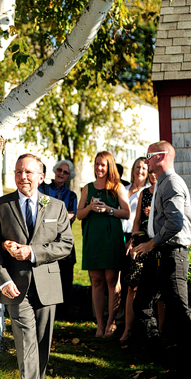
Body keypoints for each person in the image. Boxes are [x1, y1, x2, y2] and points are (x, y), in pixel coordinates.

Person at [0, 153, 74, 379]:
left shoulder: (56, 206)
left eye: (28, 172)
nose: (22, 177)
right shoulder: (0, 206)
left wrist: (33, 252)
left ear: (41, 177)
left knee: (43, 345)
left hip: (47, 285)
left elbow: (66, 244)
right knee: (25, 343)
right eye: (18, 172)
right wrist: (3, 281)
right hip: (15, 287)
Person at [126, 141, 191, 363]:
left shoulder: (171, 183)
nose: (145, 161)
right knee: (142, 303)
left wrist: (151, 244)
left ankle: (184, 365)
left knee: (180, 312)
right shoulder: (161, 183)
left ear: (161, 157)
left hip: (172, 255)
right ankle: (160, 356)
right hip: (159, 254)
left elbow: (175, 223)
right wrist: (143, 240)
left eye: (148, 156)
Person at [77, 151, 131, 338]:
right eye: (97, 164)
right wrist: (90, 208)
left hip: (111, 238)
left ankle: (111, 322)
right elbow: (78, 215)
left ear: (109, 167)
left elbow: (126, 213)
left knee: (111, 281)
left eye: (103, 165)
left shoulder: (117, 187)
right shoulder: (87, 188)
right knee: (96, 281)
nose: (99, 168)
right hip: (93, 238)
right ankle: (99, 324)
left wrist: (109, 210)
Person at [122, 163, 155, 343]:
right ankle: (128, 329)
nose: (151, 175)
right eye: (150, 172)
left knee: (158, 291)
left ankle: (159, 333)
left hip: (158, 244)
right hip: (140, 241)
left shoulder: (164, 192)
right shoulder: (144, 193)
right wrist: (134, 240)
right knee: (132, 286)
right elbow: (136, 221)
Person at [38, 159, 78, 302]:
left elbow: (71, 217)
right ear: (55, 171)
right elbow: (40, 213)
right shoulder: (43, 190)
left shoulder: (72, 196)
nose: (61, 174)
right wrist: (62, 215)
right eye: (59, 170)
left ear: (69, 176)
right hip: (45, 240)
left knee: (65, 277)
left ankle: (63, 308)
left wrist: (51, 216)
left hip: (64, 239)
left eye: (65, 172)